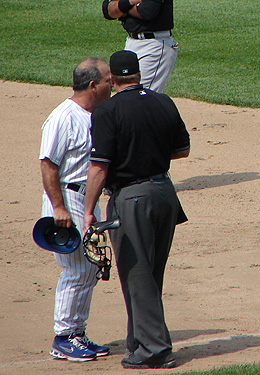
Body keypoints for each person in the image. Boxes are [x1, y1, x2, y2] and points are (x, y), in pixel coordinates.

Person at [83, 50, 190, 369]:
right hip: (165, 194)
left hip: (132, 200)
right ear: (139, 74)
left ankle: (155, 349)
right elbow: (182, 149)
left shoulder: (108, 111)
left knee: (136, 273)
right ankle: (139, 341)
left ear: (112, 79)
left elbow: (99, 169)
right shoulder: (163, 101)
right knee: (151, 273)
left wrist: (89, 210)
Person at [39, 58, 112, 361]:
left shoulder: (94, 114)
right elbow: (48, 164)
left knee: (89, 267)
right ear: (93, 85)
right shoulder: (62, 117)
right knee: (75, 269)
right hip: (67, 201)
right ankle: (64, 336)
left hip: (86, 198)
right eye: (109, 79)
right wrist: (58, 207)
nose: (113, 83)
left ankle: (77, 333)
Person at [102, 0, 178, 93]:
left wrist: (122, 8)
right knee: (125, 91)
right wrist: (130, 2)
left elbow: (147, 12)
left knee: (140, 95)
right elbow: (108, 11)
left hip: (154, 45)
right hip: (131, 41)